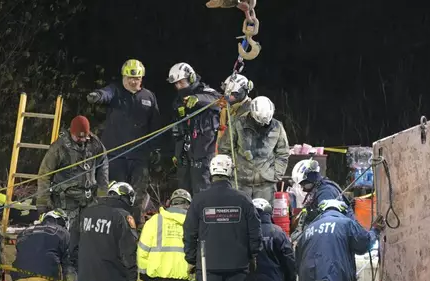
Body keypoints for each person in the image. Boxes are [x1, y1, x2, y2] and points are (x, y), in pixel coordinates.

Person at [183, 154, 262, 281]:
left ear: (211, 172)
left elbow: (189, 232)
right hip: (237, 267)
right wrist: (252, 255)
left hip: (207, 267)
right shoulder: (243, 200)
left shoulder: (200, 200)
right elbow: (255, 234)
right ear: (231, 172)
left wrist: (192, 260)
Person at [87, 59, 160, 225]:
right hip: (115, 155)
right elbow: (106, 94)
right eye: (129, 78)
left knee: (138, 195)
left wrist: (155, 149)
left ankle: (134, 228)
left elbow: (155, 126)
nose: (133, 81)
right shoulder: (116, 91)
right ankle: (113, 226)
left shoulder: (148, 97)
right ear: (123, 77)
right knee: (115, 193)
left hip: (139, 157)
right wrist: (97, 96)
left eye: (137, 78)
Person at [37, 115, 109, 253]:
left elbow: (103, 165)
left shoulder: (95, 144)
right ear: (72, 133)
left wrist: (102, 193)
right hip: (66, 202)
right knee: (68, 241)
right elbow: (44, 174)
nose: (82, 140)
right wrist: (43, 202)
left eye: (84, 137)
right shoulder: (59, 147)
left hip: (89, 200)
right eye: (78, 137)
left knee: (90, 240)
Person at [72, 181, 138, 281]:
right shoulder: (123, 216)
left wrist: (80, 270)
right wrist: (132, 278)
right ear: (126, 197)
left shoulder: (86, 212)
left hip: (87, 278)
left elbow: (73, 246)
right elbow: (128, 251)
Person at [137, 189, 195, 281]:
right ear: (188, 205)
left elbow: (142, 251)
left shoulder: (155, 221)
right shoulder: (195, 223)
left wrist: (145, 277)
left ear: (170, 203)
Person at [217, 96, 290, 204]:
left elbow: (283, 153)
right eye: (260, 122)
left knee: (264, 217)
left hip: (265, 184)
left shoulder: (277, 127)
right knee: (239, 216)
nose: (263, 125)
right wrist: (231, 172)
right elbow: (225, 149)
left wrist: (275, 174)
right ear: (252, 114)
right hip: (240, 183)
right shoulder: (237, 124)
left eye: (266, 122)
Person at [168, 62, 222, 196]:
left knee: (202, 190)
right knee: (183, 191)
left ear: (191, 78)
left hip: (203, 152)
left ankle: (203, 216)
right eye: (176, 84)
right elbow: (177, 128)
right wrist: (176, 152)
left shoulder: (207, 93)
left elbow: (219, 101)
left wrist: (198, 99)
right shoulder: (178, 101)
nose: (179, 87)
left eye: (181, 82)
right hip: (184, 154)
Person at [11, 209, 73, 281]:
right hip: (44, 278)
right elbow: (68, 263)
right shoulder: (63, 233)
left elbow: (20, 254)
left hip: (18, 279)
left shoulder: (24, 232)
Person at [291, 158, 354, 242]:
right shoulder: (318, 188)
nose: (302, 188)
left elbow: (328, 222)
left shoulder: (326, 192)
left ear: (310, 178)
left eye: (303, 184)